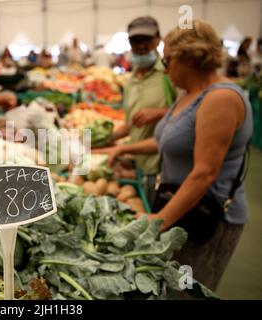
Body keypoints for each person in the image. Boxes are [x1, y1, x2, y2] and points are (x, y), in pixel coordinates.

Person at [102, 20, 252, 291]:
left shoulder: (221, 99)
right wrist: (122, 148)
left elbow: (205, 172)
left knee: (187, 292)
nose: (164, 66)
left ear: (188, 56)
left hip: (207, 217)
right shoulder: (188, 94)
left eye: (167, 59)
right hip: (182, 208)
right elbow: (164, 142)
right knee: (170, 288)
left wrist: (159, 220)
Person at [95, 16, 175, 205]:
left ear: (158, 39)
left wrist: (159, 112)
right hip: (138, 165)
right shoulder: (130, 80)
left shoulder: (169, 74)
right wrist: (103, 140)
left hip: (162, 169)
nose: (140, 46)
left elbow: (190, 112)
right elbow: (132, 124)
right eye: (134, 41)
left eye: (145, 40)